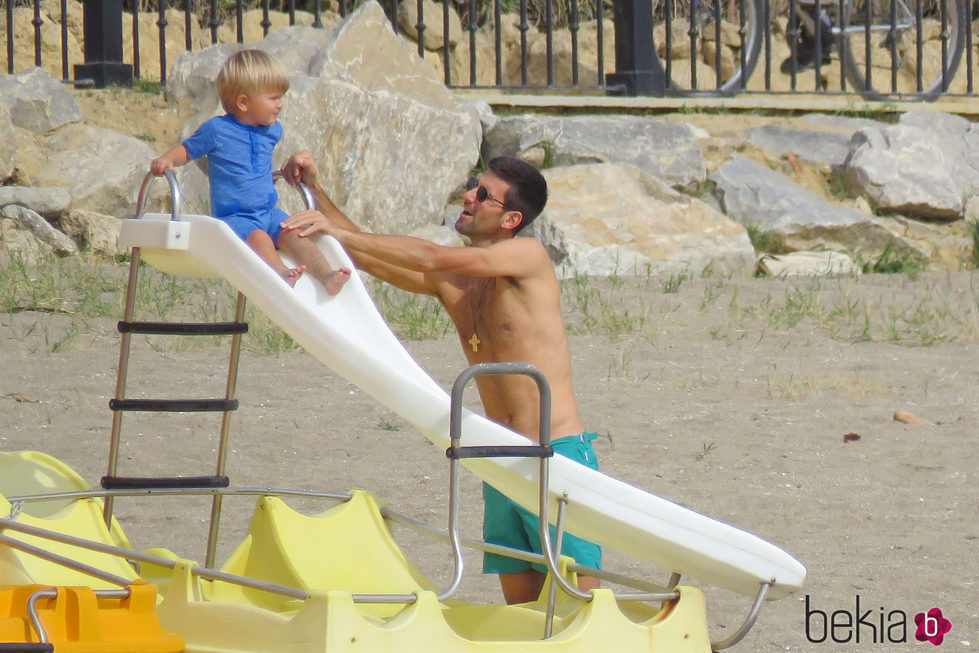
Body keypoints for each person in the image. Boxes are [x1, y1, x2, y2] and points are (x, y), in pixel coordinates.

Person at [279, 151, 601, 605]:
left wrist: (336, 229)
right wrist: (312, 190)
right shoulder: (456, 282)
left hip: (555, 455)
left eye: (483, 194)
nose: (468, 195)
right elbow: (363, 252)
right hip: (499, 460)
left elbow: (427, 254)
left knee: (580, 602)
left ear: (511, 218)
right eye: (474, 183)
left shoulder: (529, 257)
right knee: (523, 610)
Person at [150, 49, 350, 293]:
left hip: (269, 212)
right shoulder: (217, 130)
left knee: (295, 234)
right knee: (259, 239)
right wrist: (167, 160)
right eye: (273, 98)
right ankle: (280, 273)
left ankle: (326, 276)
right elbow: (187, 149)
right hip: (235, 218)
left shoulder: (272, 130)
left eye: (281, 97)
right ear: (243, 102)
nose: (280, 105)